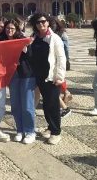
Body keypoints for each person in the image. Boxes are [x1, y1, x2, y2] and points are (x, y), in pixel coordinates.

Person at [28, 13, 66, 145]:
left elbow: (61, 58)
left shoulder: (55, 38)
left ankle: (56, 132)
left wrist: (60, 77)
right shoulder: (34, 37)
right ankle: (50, 127)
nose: (41, 24)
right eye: (38, 23)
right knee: (46, 105)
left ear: (48, 22)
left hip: (51, 77)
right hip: (39, 76)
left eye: (43, 21)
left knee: (53, 105)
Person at [4, 19, 36, 144]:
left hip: (26, 74)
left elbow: (31, 57)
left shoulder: (24, 40)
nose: (9, 31)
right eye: (7, 28)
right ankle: (20, 130)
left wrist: (25, 48)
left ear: (17, 29)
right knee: (15, 104)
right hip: (13, 75)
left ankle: (30, 131)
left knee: (27, 104)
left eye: (12, 28)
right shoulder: (4, 41)